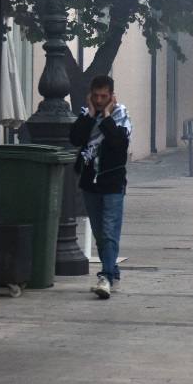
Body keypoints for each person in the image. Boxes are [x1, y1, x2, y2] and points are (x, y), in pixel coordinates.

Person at [68, 75, 132, 299]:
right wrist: (90, 115)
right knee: (99, 233)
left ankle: (105, 276)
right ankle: (113, 270)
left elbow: (118, 144)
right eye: (96, 96)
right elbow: (75, 138)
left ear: (112, 96)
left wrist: (105, 117)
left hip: (112, 182)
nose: (99, 100)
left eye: (104, 96)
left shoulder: (121, 116)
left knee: (109, 231)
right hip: (90, 183)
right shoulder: (86, 115)